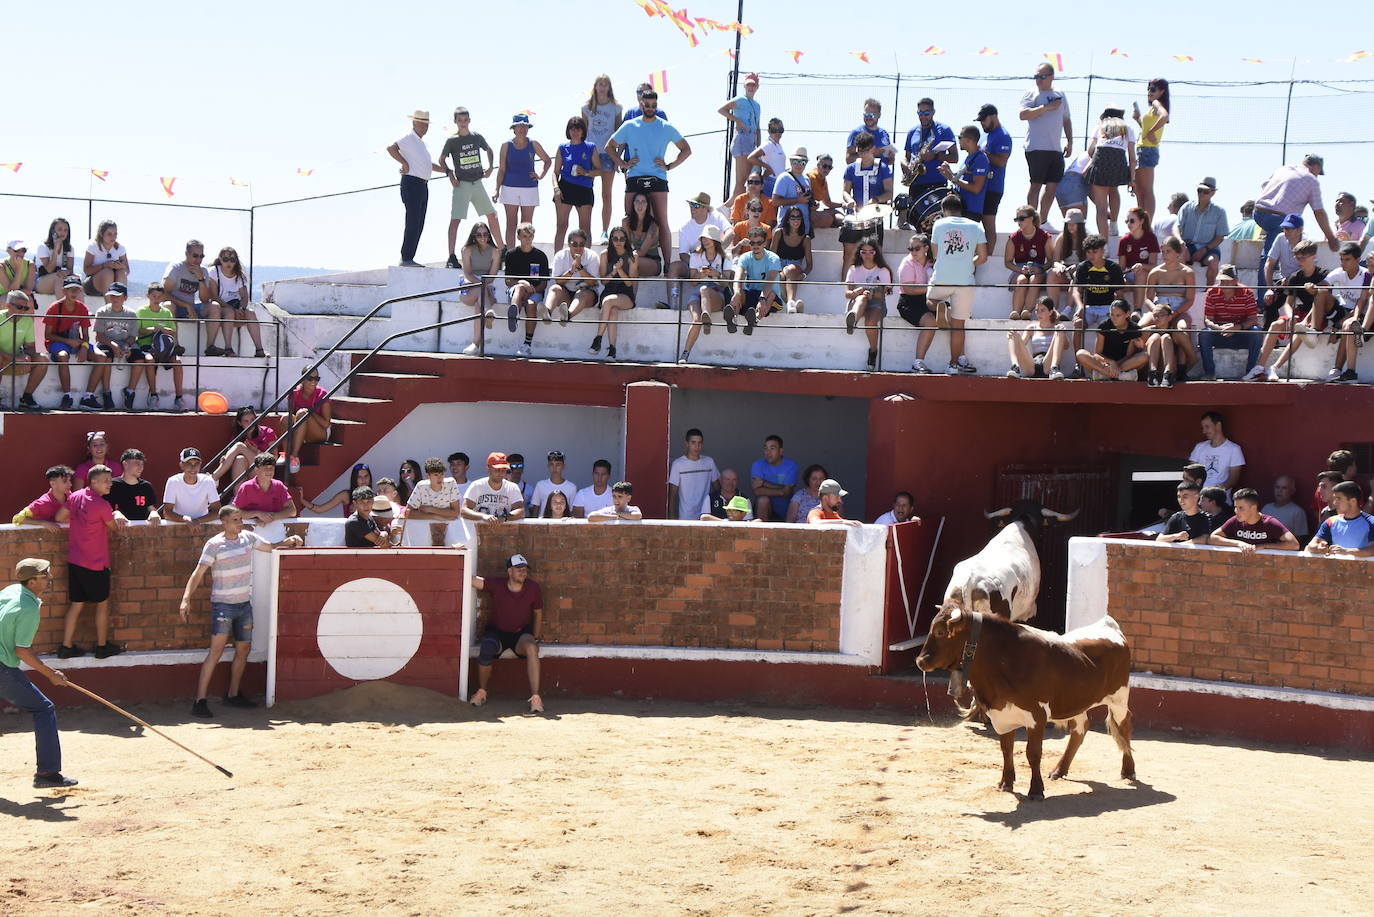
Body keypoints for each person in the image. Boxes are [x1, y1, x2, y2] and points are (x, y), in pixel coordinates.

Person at [180, 505, 302, 717]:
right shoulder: (215, 544)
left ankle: (233, 694)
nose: (240, 523)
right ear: (223, 523)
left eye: (240, 519)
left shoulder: (248, 537)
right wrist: (185, 598)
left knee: (243, 650)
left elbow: (270, 547)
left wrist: (288, 543)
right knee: (216, 651)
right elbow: (198, 572)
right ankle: (199, 700)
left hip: (244, 604)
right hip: (223, 605)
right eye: (235, 520)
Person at [0, 558, 77, 788]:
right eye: (46, 576)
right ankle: (48, 774)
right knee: (44, 708)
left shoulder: (12, 590)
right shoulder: (29, 608)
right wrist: (50, 673)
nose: (51, 578)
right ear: (32, 581)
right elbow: (22, 651)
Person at [606, 89, 691, 268]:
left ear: (656, 105)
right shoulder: (630, 125)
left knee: (662, 221)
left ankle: (667, 265)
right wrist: (623, 163)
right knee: (628, 219)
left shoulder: (665, 126)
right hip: (635, 177)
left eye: (654, 105)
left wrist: (669, 166)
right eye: (647, 105)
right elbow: (609, 147)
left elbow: (686, 149)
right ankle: (625, 262)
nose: (650, 108)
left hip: (657, 178)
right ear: (641, 104)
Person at [60, 463, 127, 659]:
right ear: (94, 481)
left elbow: (60, 516)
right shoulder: (102, 505)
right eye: (106, 481)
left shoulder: (75, 496)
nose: (110, 484)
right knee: (102, 604)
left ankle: (65, 647)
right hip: (96, 563)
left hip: (75, 560)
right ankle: (101, 646)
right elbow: (115, 528)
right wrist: (116, 513)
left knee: (76, 604)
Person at [469, 553, 544, 713]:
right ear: (509, 571)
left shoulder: (533, 588)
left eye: (524, 569)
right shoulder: (498, 584)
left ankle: (536, 698)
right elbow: (473, 581)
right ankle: (482, 692)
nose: (523, 572)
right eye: (518, 569)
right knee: (487, 647)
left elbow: (538, 613)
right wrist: (457, 559)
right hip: (497, 633)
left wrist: (535, 638)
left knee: (532, 648)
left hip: (521, 635)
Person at [1253, 154, 1340, 287]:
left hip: (1258, 212)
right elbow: (1319, 212)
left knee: (1271, 253)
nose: (1317, 175)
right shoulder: (1311, 180)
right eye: (1318, 172)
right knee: (1271, 258)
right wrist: (1331, 238)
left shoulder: (1284, 168)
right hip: (1278, 219)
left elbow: (1265, 185)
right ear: (1315, 166)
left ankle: (1279, 284)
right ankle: (1264, 297)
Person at [1252, 240, 1331, 380]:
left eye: (1302, 257)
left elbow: (1324, 302)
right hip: (1300, 313)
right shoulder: (1295, 277)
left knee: (1300, 330)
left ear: (1313, 256)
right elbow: (1288, 304)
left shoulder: (1324, 275)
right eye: (1297, 257)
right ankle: (1259, 368)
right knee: (1275, 325)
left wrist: (1300, 321)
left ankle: (1275, 367)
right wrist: (1291, 317)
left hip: (1317, 317)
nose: (1299, 261)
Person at [927, 194, 987, 375]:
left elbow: (936, 253)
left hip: (943, 276)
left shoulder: (939, 224)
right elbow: (983, 257)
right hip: (965, 281)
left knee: (930, 300)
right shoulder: (976, 226)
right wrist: (968, 262)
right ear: (961, 208)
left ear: (943, 210)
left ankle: (941, 305)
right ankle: (953, 364)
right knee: (959, 324)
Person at [439, 107, 502, 268]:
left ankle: (502, 250)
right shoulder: (452, 140)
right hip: (462, 185)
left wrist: (490, 167)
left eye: (465, 120)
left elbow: (489, 150)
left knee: (492, 215)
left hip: (478, 182)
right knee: (455, 220)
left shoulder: (476, 137)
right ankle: (451, 256)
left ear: (469, 120)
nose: (463, 123)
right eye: (460, 120)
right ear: (455, 122)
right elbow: (442, 159)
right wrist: (450, 174)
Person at [386, 110, 445, 267]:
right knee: (412, 221)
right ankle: (406, 257)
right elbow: (391, 148)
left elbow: (427, 165)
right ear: (414, 123)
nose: (425, 127)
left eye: (426, 124)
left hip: (422, 184)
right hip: (412, 183)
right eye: (422, 123)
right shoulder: (409, 138)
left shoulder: (420, 143)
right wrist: (404, 163)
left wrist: (446, 170)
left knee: (419, 222)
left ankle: (409, 256)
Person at [1020, 62, 1074, 225]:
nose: (1038, 79)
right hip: (1036, 147)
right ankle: (1029, 220)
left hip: (1055, 149)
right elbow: (1023, 114)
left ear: (1051, 77)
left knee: (1052, 186)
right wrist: (1047, 107)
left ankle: (1042, 221)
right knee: (1035, 184)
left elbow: (1066, 119)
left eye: (1042, 76)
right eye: (1036, 76)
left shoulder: (1060, 94)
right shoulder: (1031, 93)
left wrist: (1070, 141)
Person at [1138, 236, 1200, 377]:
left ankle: (1186, 363)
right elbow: (1147, 298)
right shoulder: (1155, 272)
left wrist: (1174, 313)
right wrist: (1155, 311)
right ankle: (1141, 366)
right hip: (1158, 309)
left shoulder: (1188, 272)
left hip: (1179, 309)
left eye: (1168, 251)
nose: (1164, 255)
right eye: (1163, 251)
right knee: (1140, 327)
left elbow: (1190, 300)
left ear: (1178, 253)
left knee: (1182, 329)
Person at [494, 113, 552, 250]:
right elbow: (501, 170)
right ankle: (510, 254)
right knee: (511, 223)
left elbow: (547, 161)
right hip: (509, 187)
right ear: (513, 128)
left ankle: (525, 253)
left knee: (526, 225)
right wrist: (496, 189)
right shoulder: (506, 145)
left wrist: (541, 175)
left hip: (529, 188)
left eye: (524, 126)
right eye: (519, 126)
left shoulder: (534, 144)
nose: (521, 129)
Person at [669, 191, 732, 316]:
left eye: (696, 205)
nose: (692, 208)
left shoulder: (717, 217)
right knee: (674, 267)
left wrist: (716, 253)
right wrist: (698, 264)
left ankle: (735, 308)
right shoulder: (685, 228)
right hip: (695, 265)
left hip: (715, 269)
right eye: (691, 204)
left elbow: (731, 232)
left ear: (706, 208)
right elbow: (683, 255)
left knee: (732, 270)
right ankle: (673, 306)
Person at [1198, 265, 1263, 382]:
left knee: (1256, 332)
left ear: (1235, 281)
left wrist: (1237, 328)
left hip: (1241, 333)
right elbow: (1208, 320)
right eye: (1222, 281)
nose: (1223, 284)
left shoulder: (1247, 292)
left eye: (1227, 281)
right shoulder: (1212, 292)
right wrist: (1220, 329)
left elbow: (1253, 319)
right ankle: (1209, 373)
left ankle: (1251, 372)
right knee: (1204, 334)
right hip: (1220, 333)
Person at [90, 282, 147, 412]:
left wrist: (127, 346)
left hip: (125, 343)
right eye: (112, 296)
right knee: (106, 357)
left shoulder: (131, 314)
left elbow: (133, 337)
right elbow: (99, 336)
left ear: (125, 298)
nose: (114, 299)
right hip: (106, 343)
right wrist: (113, 345)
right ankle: (106, 392)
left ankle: (130, 391)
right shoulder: (102, 311)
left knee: (139, 358)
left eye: (117, 296)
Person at [41, 275, 95, 411]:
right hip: (58, 342)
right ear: (64, 291)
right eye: (71, 289)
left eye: (77, 290)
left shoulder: (82, 308)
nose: (74, 293)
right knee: (63, 356)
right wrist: (68, 341)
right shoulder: (54, 308)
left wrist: (84, 347)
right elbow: (47, 335)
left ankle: (88, 396)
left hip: (76, 343)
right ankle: (67, 396)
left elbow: (86, 336)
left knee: (102, 357)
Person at [840, 131, 893, 268]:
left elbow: (889, 193)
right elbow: (845, 191)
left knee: (874, 256)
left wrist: (876, 199)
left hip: (874, 219)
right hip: (854, 217)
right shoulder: (851, 169)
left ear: (873, 149)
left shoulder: (883, 168)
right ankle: (845, 286)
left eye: (866, 151)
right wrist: (849, 200)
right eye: (860, 151)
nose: (863, 154)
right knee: (849, 255)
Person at [680, 225, 731, 363]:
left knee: (704, 290)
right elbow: (693, 282)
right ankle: (685, 354)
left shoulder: (725, 257)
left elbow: (725, 283)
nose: (705, 241)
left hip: (716, 293)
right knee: (697, 320)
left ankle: (706, 317)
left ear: (715, 240)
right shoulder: (696, 256)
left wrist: (716, 274)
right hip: (698, 293)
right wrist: (700, 274)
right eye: (703, 238)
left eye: (708, 238)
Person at [1083, 107, 1136, 239]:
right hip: (1118, 159)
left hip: (1101, 157)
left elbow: (1090, 151)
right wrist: (1132, 179)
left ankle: (1103, 243)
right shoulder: (1127, 127)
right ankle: (1113, 223)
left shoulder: (1100, 126)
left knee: (1101, 207)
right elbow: (1132, 157)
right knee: (1114, 189)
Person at [581, 75, 624, 242]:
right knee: (586, 194)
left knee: (606, 194)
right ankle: (585, 232)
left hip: (608, 154)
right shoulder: (586, 107)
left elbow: (619, 133)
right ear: (595, 86)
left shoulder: (616, 108)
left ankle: (604, 231)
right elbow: (582, 132)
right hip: (590, 153)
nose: (603, 87)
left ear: (610, 87)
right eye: (600, 84)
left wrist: (617, 157)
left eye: (606, 84)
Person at [1071, 234, 1127, 358]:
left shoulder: (1113, 268)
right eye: (1089, 252)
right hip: (1088, 307)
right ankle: (1078, 363)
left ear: (1103, 250)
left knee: (1106, 328)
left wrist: (1118, 313)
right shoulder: (1082, 267)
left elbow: (1120, 295)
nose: (1091, 255)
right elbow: (1076, 291)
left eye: (1095, 252)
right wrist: (1080, 306)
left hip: (1107, 308)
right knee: (1077, 323)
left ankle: (1103, 361)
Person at [134, 283, 188, 410]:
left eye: (159, 296)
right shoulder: (141, 311)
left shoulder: (166, 312)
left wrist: (164, 330)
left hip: (165, 347)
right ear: (148, 296)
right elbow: (136, 331)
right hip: (147, 345)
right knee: (149, 360)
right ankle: (153, 395)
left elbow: (173, 331)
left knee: (178, 362)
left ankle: (179, 398)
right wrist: (151, 329)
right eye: (153, 296)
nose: (156, 299)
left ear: (163, 297)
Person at [206, 246, 265, 359]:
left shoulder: (239, 276)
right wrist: (233, 310)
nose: (229, 263)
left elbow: (244, 296)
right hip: (220, 308)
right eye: (225, 259)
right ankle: (228, 348)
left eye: (232, 260)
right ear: (220, 258)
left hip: (236, 307)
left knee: (251, 313)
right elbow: (214, 296)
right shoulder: (213, 272)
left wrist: (242, 309)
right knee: (229, 312)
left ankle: (259, 349)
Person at [1324, 243, 1372, 383]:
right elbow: (1361, 301)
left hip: (1368, 317)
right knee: (1349, 326)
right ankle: (1350, 372)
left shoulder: (1366, 275)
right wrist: (1354, 318)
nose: (1370, 269)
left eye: (1373, 266)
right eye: (1369, 265)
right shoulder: (1369, 276)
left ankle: (1363, 331)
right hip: (1365, 315)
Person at [503, 222, 550, 357]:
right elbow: (508, 281)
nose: (527, 239)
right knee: (519, 288)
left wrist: (532, 290)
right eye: (524, 236)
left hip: (534, 293)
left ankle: (527, 344)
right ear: (518, 237)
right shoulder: (511, 254)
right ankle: (514, 314)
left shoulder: (541, 256)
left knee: (531, 305)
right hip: (515, 291)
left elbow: (543, 283)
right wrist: (523, 283)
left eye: (530, 236)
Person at [844, 237, 891, 371]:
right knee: (861, 299)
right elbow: (847, 293)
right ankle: (853, 319)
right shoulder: (854, 269)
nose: (867, 255)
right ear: (860, 253)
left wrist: (869, 293)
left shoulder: (882, 271)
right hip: (857, 301)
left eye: (871, 252)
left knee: (870, 322)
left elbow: (883, 294)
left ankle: (873, 351)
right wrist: (857, 292)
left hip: (877, 303)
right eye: (864, 252)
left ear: (876, 253)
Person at [552, 116, 598, 253]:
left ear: (583, 131)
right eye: (572, 129)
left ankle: (586, 260)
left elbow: (600, 170)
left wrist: (586, 172)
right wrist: (556, 188)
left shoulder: (590, 147)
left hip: (584, 188)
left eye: (578, 129)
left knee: (585, 228)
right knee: (561, 226)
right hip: (565, 187)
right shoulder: (562, 148)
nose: (575, 132)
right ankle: (557, 260)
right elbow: (555, 172)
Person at [591, 226, 637, 361]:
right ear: (611, 239)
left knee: (608, 302)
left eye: (622, 239)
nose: (619, 241)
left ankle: (598, 339)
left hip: (625, 293)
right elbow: (603, 282)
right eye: (615, 238)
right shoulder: (605, 254)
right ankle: (612, 350)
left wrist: (620, 270)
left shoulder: (632, 256)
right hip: (609, 289)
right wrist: (613, 272)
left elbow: (630, 284)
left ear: (626, 240)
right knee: (613, 311)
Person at [1204, 488, 1299, 552]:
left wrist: (1264, 546)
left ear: (1253, 508)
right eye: (1235, 507)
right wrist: (1239, 543)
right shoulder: (1235, 521)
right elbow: (1212, 538)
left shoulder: (1270, 523)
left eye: (1241, 508)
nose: (1236, 511)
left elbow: (1294, 545)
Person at [727, 227, 782, 336]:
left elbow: (769, 282)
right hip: (752, 294)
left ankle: (754, 321)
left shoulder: (773, 258)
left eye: (759, 242)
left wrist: (762, 298)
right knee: (739, 291)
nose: (755, 246)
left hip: (769, 297)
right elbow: (738, 277)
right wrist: (737, 292)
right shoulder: (744, 257)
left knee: (770, 295)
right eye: (752, 243)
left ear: (765, 243)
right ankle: (733, 320)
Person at [1074, 299, 1147, 381]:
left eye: (1118, 315)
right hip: (1105, 364)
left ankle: (1106, 375)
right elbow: (1098, 354)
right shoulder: (1104, 326)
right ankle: (1118, 375)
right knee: (1080, 354)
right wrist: (1111, 362)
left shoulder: (1133, 329)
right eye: (1112, 314)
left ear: (1127, 314)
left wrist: (1116, 365)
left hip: (1123, 364)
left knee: (1144, 356)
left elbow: (1129, 355)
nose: (1114, 318)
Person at [899, 235, 940, 374]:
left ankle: (958, 360)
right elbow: (908, 290)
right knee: (930, 321)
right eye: (911, 249)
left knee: (955, 318)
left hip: (928, 299)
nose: (913, 252)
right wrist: (930, 288)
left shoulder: (932, 263)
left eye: (916, 248)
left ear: (926, 248)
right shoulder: (907, 263)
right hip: (908, 302)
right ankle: (918, 363)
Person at [1, 291, 49, 411]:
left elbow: (30, 347)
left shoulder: (27, 321)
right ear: (8, 305)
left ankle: (26, 398)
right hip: (4, 359)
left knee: (43, 360)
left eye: (25, 308)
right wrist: (15, 358)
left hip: (14, 360)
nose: (22, 311)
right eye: (19, 307)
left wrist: (26, 356)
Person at [975, 104, 1014, 252]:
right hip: (979, 185)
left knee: (989, 224)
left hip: (993, 187)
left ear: (993, 117)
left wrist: (983, 154)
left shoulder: (1003, 136)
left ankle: (989, 257)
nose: (982, 124)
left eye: (983, 120)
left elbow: (1001, 161)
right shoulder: (985, 135)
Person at [458, 223, 502, 354]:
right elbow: (468, 273)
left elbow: (492, 276)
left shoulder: (495, 251)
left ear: (489, 235)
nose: (482, 237)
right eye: (479, 235)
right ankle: (488, 311)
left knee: (479, 304)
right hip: (470, 287)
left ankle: (475, 344)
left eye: (485, 234)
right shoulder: (466, 250)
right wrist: (482, 285)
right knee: (479, 292)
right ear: (474, 236)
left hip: (487, 286)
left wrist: (484, 285)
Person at [232, 453, 296, 542]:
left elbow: (292, 511)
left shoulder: (279, 485)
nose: (269, 472)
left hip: (275, 534)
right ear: (256, 470)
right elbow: (235, 513)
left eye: (271, 468)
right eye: (265, 468)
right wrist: (257, 514)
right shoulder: (246, 487)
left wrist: (271, 517)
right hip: (249, 536)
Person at [1130, 79, 1170, 220]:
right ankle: (1141, 221)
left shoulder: (1156, 104)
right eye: (1148, 89)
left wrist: (1152, 131)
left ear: (1161, 92)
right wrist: (1138, 119)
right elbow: (1146, 131)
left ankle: (1147, 223)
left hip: (1148, 150)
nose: (1149, 92)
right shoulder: (1153, 108)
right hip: (1143, 149)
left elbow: (1165, 116)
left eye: (1153, 89)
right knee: (1140, 190)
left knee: (1146, 190)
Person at [211, 407, 279, 489]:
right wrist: (226, 458)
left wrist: (256, 451)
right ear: (239, 423)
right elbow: (231, 454)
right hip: (246, 471)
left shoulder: (267, 432)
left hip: (264, 470)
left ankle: (214, 478)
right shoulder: (237, 436)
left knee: (239, 446)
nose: (250, 423)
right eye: (245, 421)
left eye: (252, 420)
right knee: (240, 459)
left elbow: (274, 458)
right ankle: (237, 497)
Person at [1178, 177, 1229, 285]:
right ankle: (1183, 290)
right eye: (1199, 190)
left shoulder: (1219, 212)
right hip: (1188, 245)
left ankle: (1209, 292)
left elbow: (1220, 237)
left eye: (1205, 191)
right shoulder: (1186, 207)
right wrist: (1181, 242)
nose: (1201, 193)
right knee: (1180, 255)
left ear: (1212, 193)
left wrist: (1205, 249)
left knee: (1213, 263)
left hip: (1209, 247)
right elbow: (1176, 227)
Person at [546, 229, 600, 327]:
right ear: (569, 244)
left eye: (581, 244)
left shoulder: (592, 256)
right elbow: (558, 281)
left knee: (582, 293)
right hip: (566, 294)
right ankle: (547, 313)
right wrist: (571, 271)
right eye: (574, 244)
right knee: (554, 289)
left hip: (586, 294)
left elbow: (592, 283)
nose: (578, 247)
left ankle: (567, 316)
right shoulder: (560, 256)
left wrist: (580, 268)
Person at [1005, 205, 1051, 319]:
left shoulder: (1044, 236)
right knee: (1022, 279)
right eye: (1017, 219)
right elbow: (1008, 262)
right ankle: (1015, 312)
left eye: (1022, 218)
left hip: (1038, 269)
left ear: (1031, 219)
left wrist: (1040, 269)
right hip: (1019, 269)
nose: (1018, 222)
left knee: (1034, 279)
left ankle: (1027, 312)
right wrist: (1020, 270)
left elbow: (1051, 261)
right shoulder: (1014, 237)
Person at [721, 73, 762, 199]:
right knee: (742, 181)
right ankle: (729, 210)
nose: (751, 87)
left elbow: (758, 127)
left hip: (752, 141)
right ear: (744, 86)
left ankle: (730, 208)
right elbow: (722, 110)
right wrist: (737, 121)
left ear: (757, 87)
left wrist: (759, 147)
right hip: (742, 138)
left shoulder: (757, 105)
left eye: (753, 85)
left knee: (748, 180)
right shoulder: (740, 99)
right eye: (748, 84)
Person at [938, 125, 989, 226]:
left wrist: (952, 177)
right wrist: (950, 173)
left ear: (969, 140)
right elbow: (960, 180)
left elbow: (976, 188)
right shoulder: (969, 158)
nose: (958, 141)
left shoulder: (980, 159)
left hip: (970, 211)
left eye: (960, 138)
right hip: (962, 210)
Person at [1306, 481, 1374, 557]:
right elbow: (1310, 545)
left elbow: (1372, 549)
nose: (1335, 503)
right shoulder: (1330, 521)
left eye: (1338, 498)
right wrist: (1318, 548)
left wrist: (1347, 551)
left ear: (1353, 501)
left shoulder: (1371, 522)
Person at [1008, 296, 1069, 380]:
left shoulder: (1056, 328)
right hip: (1032, 366)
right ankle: (1015, 366)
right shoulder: (1031, 328)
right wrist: (1013, 335)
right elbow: (1020, 345)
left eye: (1042, 310)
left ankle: (1054, 369)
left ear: (1050, 312)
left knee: (1059, 331)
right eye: (1037, 310)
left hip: (1048, 364)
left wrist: (1062, 332)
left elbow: (1066, 346)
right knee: (1013, 333)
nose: (1038, 313)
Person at [162, 238, 211, 342]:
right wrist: (186, 305)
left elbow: (205, 299)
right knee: (168, 305)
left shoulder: (203, 271)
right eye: (195, 256)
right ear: (186, 254)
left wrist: (201, 279)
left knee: (214, 307)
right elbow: (164, 294)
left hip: (192, 309)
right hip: (176, 307)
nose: (198, 260)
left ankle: (210, 347)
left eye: (201, 256)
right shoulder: (176, 268)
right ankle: (175, 344)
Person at [1260, 213, 1305, 323]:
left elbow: (1308, 269)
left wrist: (1291, 278)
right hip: (1284, 282)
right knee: (1270, 300)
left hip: (1303, 282)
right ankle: (1269, 333)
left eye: (1290, 228)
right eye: (1285, 228)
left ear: (1299, 230)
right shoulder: (1280, 238)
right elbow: (1269, 265)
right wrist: (1270, 289)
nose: (1286, 231)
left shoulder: (1307, 242)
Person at [282, 371, 331, 474]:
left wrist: (310, 412)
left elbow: (326, 424)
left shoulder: (322, 393)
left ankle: (294, 456)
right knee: (286, 417)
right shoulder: (295, 393)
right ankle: (287, 455)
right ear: (303, 379)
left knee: (302, 414)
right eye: (310, 378)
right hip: (301, 429)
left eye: (316, 379)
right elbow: (292, 417)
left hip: (320, 431)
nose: (313, 381)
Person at [667, 428, 719, 520]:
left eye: (700, 443)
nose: (697, 446)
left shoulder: (709, 462)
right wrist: (672, 519)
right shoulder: (678, 464)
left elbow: (718, 490)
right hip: (685, 517)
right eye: (693, 442)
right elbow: (672, 495)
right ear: (687, 444)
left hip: (706, 516)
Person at [405, 457, 462, 539]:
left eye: (442, 474)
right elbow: (408, 513)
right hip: (424, 531)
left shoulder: (451, 483)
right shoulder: (421, 486)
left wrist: (431, 510)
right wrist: (436, 517)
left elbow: (456, 512)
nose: (440, 478)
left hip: (449, 529)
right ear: (428, 476)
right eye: (436, 475)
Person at [161, 447, 222, 523]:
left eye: (196, 464)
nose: (193, 467)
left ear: (200, 464)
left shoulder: (208, 481)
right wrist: (185, 520)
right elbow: (167, 513)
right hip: (178, 526)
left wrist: (197, 521)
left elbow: (217, 511)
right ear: (181, 465)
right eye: (189, 464)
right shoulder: (173, 481)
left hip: (202, 526)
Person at [1189, 411, 1244, 494]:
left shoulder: (1234, 449)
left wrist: (1215, 493)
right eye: (1203, 427)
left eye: (1207, 427)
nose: (1204, 431)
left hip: (1221, 500)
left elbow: (1234, 479)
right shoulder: (1199, 447)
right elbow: (1191, 473)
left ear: (1218, 425)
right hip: (1198, 498)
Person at [1117, 207, 1161, 313]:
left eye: (1132, 221)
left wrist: (1141, 265)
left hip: (1147, 275)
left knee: (1140, 274)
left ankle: (1137, 311)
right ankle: (1123, 311)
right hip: (1130, 275)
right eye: (1127, 221)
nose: (1129, 223)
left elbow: (1153, 265)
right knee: (1115, 283)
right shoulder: (1124, 240)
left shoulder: (1150, 238)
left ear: (1141, 221)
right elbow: (1122, 267)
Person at [462, 452, 526, 522]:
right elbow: (464, 510)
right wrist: (482, 516)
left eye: (503, 470)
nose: (500, 473)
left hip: (504, 531)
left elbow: (521, 511)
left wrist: (505, 517)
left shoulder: (512, 487)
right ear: (488, 469)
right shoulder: (477, 486)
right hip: (478, 531)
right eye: (497, 469)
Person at [772, 206, 813, 315]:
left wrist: (803, 275)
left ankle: (790, 302)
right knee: (780, 277)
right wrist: (777, 270)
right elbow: (772, 256)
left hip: (795, 267)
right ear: (787, 219)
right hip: (778, 265)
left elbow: (809, 265)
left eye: (798, 218)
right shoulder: (779, 233)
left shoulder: (806, 239)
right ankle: (792, 305)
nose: (796, 220)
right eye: (793, 217)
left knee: (789, 270)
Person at [751, 434, 798, 522]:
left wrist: (764, 483)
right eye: (766, 448)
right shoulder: (757, 465)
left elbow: (787, 493)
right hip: (764, 509)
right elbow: (757, 491)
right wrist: (781, 490)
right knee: (763, 500)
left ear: (781, 451)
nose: (768, 452)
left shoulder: (791, 465)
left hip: (785, 511)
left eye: (772, 448)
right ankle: (762, 534)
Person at [106, 449, 162, 523]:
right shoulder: (112, 485)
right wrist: (115, 513)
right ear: (125, 464)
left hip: (142, 530)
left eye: (142, 464)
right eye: (137, 463)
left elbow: (150, 507)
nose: (141, 467)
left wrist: (154, 513)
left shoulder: (146, 486)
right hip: (119, 530)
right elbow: (105, 508)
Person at [772, 146, 814, 240]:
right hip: (786, 229)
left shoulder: (807, 179)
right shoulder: (784, 178)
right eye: (795, 161)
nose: (798, 165)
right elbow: (775, 201)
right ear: (791, 162)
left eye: (802, 162)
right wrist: (797, 200)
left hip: (803, 229)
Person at [623, 191, 664, 280]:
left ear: (647, 205)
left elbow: (642, 252)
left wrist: (624, 256)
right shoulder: (626, 222)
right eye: (637, 201)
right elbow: (625, 244)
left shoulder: (653, 225)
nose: (640, 205)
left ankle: (630, 293)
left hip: (652, 263)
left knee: (631, 261)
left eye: (643, 202)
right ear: (633, 204)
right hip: (634, 257)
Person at [305, 463, 373, 516]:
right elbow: (320, 509)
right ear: (354, 479)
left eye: (366, 476)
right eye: (359, 477)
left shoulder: (376, 497)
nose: (363, 480)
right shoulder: (346, 495)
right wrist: (302, 501)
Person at [82, 219, 128, 296]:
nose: (113, 237)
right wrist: (104, 266)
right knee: (107, 272)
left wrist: (120, 266)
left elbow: (127, 270)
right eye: (109, 234)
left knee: (121, 273)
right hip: (93, 285)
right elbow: (86, 270)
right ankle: (109, 305)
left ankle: (119, 303)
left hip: (113, 284)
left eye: (115, 234)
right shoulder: (93, 246)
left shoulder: (120, 248)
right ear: (101, 234)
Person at [745, 118, 788, 197]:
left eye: (780, 130)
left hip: (779, 182)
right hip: (770, 181)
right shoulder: (768, 144)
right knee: (770, 207)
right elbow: (751, 158)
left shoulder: (778, 145)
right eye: (774, 130)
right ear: (769, 131)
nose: (777, 133)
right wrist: (767, 167)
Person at [33, 218, 76, 296]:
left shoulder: (69, 248)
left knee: (76, 282)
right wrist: (55, 250)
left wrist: (67, 272)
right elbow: (49, 269)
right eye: (60, 229)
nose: (63, 232)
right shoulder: (43, 247)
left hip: (61, 277)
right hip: (42, 281)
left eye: (65, 230)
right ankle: (61, 307)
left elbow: (70, 269)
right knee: (58, 278)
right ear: (53, 231)